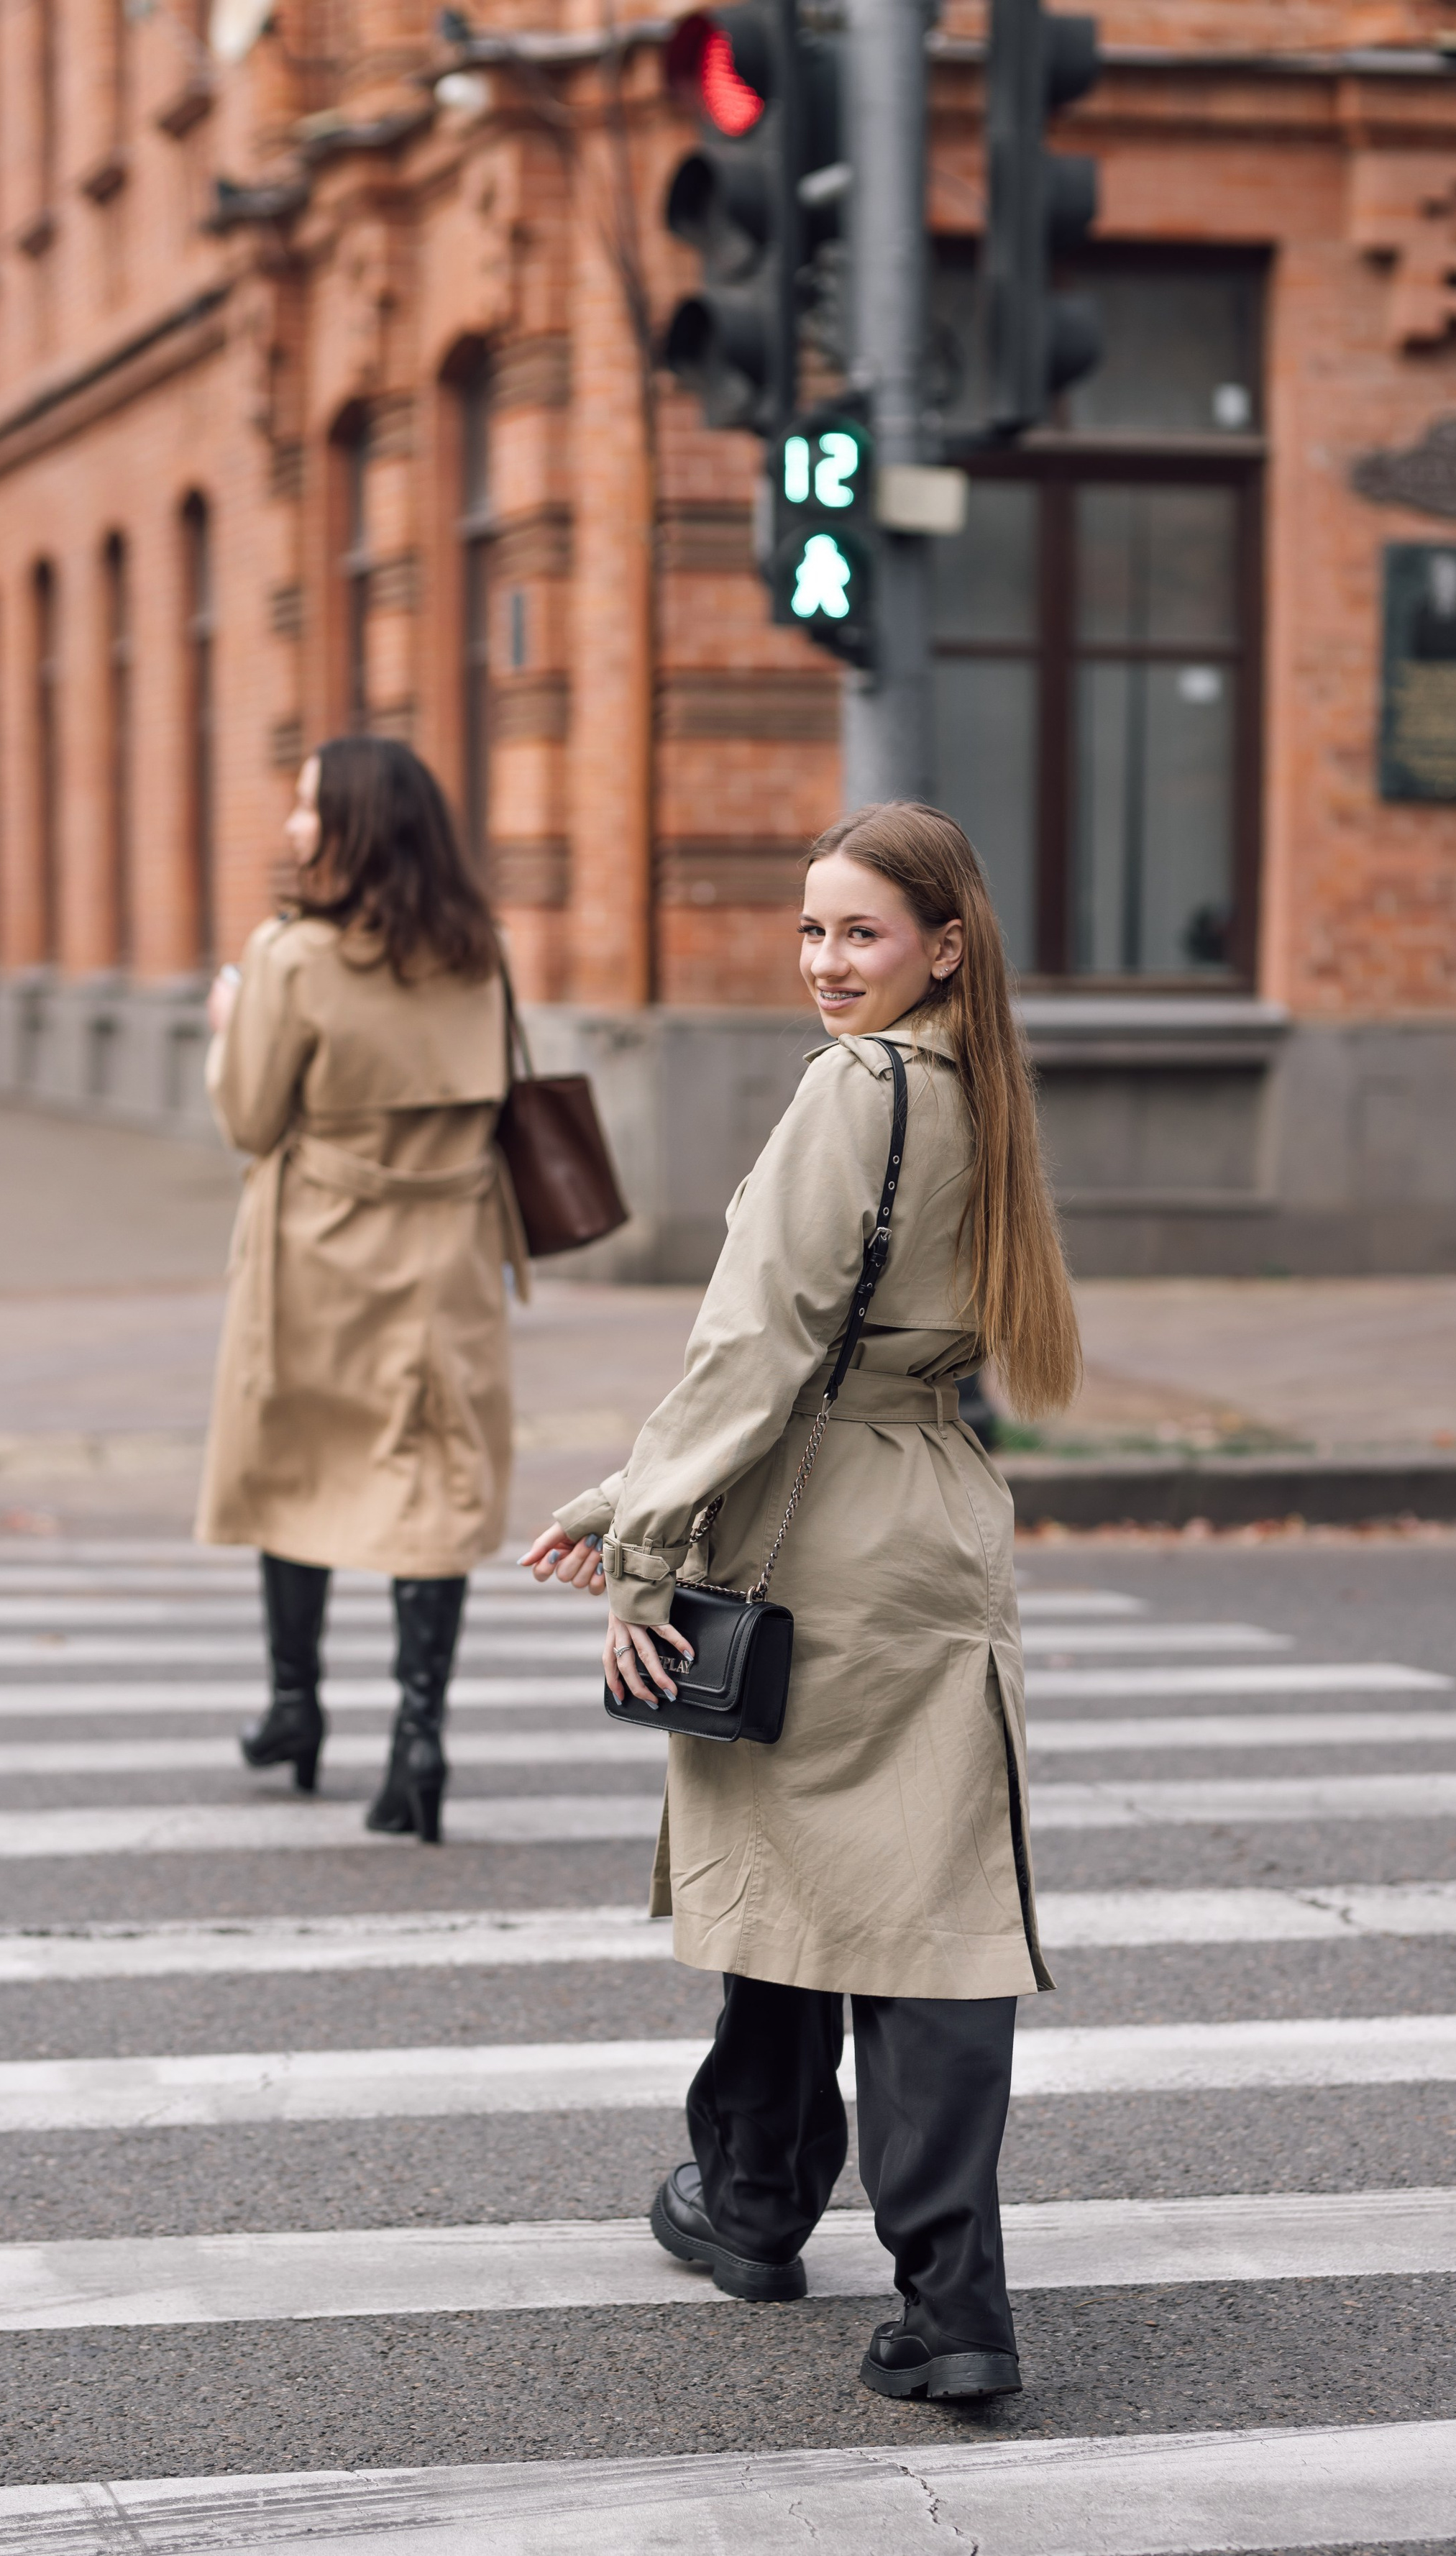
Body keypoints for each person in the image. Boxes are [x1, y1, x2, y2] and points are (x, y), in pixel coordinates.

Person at [522, 799, 1081, 2402]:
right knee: (889, 1878)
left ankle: (862, 2247)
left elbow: (755, 1345)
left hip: (806, 1513)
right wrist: (618, 1497)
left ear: (940, 947)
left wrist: (647, 1550)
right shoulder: (985, 1092)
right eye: (810, 931)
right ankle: (793, 2212)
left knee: (863, 1892)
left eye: (861, 933)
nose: (827, 964)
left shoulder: (858, 1087)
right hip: (927, 1512)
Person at [196, 736, 526, 1844]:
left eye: (306, 808)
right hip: (448, 1258)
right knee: (429, 1480)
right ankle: (418, 1735)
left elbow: (249, 1119)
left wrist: (222, 1032)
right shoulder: (482, 953)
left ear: (353, 829)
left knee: (296, 1456)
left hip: (316, 1247)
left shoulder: (288, 958)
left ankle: (297, 1705)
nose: (292, 827)